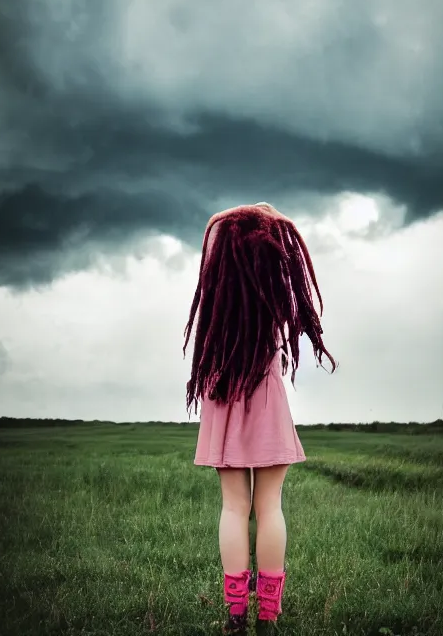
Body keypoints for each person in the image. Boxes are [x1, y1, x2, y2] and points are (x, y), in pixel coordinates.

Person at [183, 202, 336, 634]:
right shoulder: (270, 293)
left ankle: (235, 615)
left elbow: (214, 229)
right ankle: (267, 616)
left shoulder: (216, 304)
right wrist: (268, 214)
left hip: (222, 394)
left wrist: (227, 221)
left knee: (234, 507)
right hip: (266, 400)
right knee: (270, 507)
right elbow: (274, 236)